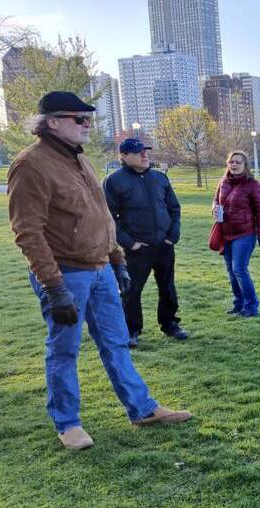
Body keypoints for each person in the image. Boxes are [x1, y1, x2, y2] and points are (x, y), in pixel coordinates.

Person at [8, 91, 193, 450]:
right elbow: (27, 232)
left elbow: (102, 215)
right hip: (65, 274)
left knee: (117, 342)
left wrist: (117, 259)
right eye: (79, 119)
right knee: (64, 349)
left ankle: (141, 408)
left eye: (88, 118)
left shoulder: (81, 160)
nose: (87, 124)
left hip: (100, 270)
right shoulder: (30, 164)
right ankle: (68, 423)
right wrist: (54, 287)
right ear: (52, 123)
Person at [104, 138, 187, 349]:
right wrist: (129, 243)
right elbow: (108, 217)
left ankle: (170, 324)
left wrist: (172, 236)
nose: (144, 155)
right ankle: (132, 329)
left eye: (145, 151)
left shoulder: (160, 177)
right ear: (123, 156)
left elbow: (174, 209)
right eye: (138, 152)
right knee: (132, 290)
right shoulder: (114, 181)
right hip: (137, 248)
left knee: (168, 287)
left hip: (164, 245)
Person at [211, 151, 260, 317]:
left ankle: (251, 306)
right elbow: (215, 200)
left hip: (245, 233)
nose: (234, 165)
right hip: (225, 232)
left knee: (239, 269)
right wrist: (214, 207)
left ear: (245, 165)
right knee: (231, 270)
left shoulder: (253, 185)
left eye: (238, 162)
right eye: (231, 162)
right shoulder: (222, 182)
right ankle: (239, 303)